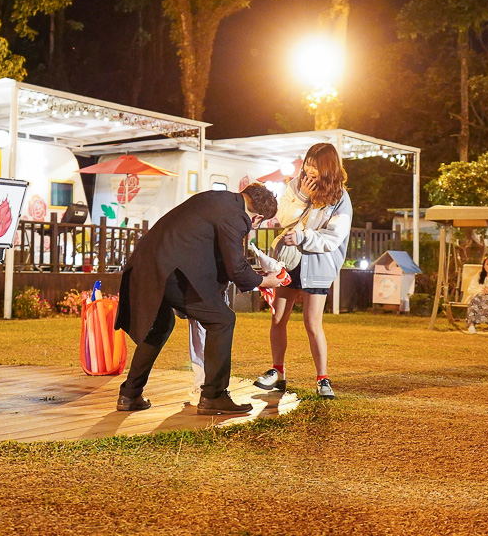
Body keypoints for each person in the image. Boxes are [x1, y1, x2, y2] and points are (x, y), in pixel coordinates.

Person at [114, 182, 285, 415]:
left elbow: (209, 251)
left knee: (160, 326)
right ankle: (213, 396)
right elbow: (235, 267)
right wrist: (266, 281)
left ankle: (130, 394)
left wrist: (253, 276)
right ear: (258, 218)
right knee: (222, 320)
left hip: (146, 266)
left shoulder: (216, 199)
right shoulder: (237, 216)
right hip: (171, 273)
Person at [253, 143, 353, 400]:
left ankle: (322, 378)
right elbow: (283, 218)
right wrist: (302, 198)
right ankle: (278, 372)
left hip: (318, 265)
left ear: (328, 167)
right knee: (278, 318)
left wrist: (303, 237)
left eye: (315, 165)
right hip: (290, 263)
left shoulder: (340, 197)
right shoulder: (296, 186)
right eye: (307, 162)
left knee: (312, 323)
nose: (309, 169)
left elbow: (334, 237)